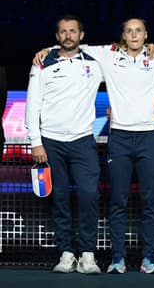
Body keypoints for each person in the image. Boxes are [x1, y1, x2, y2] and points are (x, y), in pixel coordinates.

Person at [34, 18, 154, 274]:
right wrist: (48, 50)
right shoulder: (108, 55)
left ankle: (149, 258)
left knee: (150, 201)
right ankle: (118, 259)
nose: (134, 34)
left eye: (139, 30)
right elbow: (70, 45)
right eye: (129, 30)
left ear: (146, 35)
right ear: (123, 36)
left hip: (149, 137)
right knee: (118, 201)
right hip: (119, 138)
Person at [25, 15, 104, 274]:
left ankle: (88, 254)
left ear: (82, 35)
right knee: (59, 197)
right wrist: (36, 142)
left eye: (73, 31)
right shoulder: (42, 63)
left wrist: (152, 49)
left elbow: (126, 50)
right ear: (57, 36)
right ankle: (67, 253)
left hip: (83, 140)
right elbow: (33, 104)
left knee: (89, 195)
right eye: (62, 31)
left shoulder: (96, 62)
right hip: (51, 142)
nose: (68, 35)